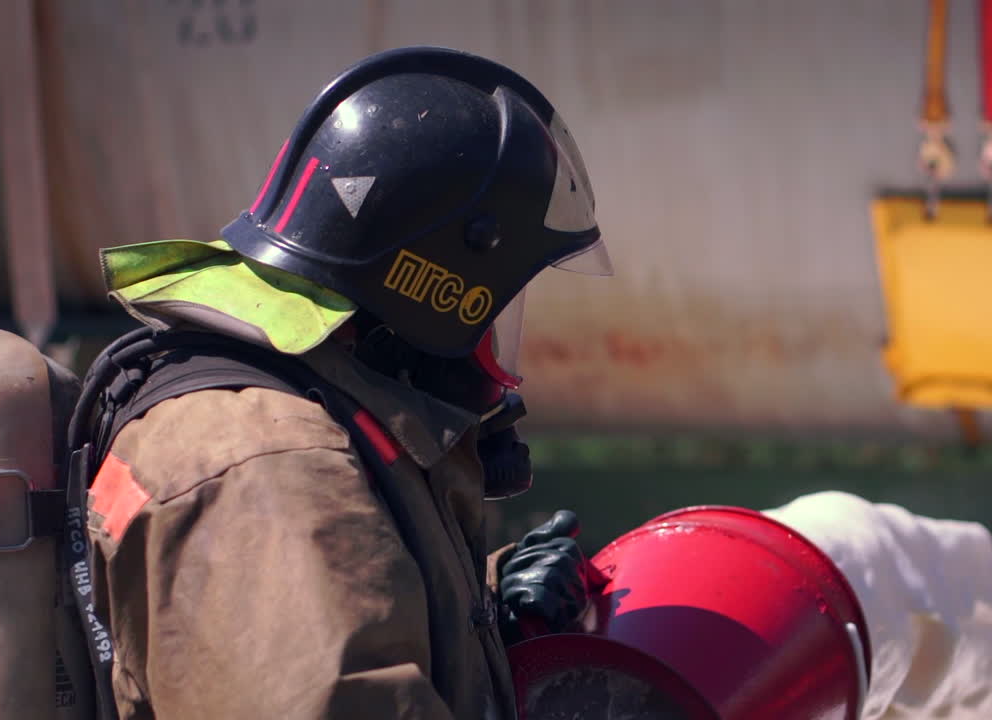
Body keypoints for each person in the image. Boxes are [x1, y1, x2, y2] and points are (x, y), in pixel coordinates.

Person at [80, 47, 605, 719]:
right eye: (498, 306)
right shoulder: (272, 474)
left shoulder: (292, 434)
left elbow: (320, 618)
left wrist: (491, 598)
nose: (500, 343)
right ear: (432, 288)